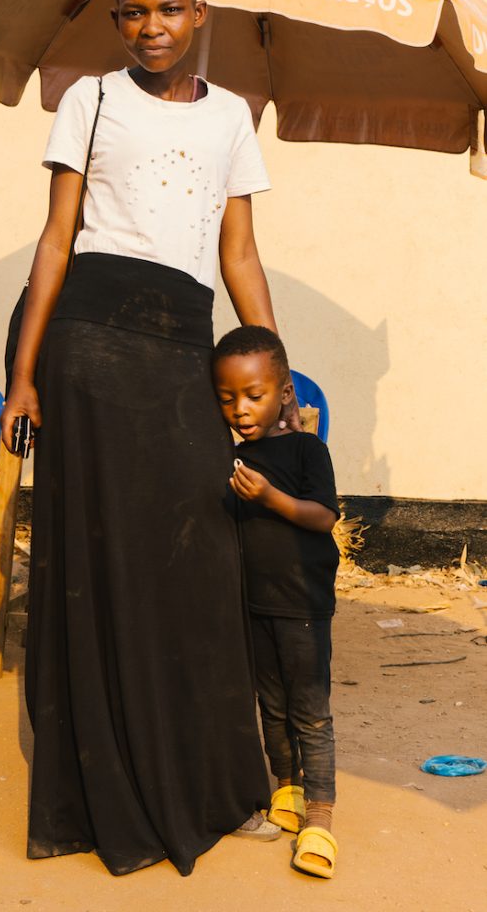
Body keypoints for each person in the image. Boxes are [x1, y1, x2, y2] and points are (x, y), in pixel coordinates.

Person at [1, 0, 292, 876]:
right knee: (99, 562)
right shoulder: (88, 102)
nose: (151, 27)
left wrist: (274, 371)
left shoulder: (233, 120)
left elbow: (238, 253)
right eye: (132, 13)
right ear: (117, 20)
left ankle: (212, 783)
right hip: (87, 346)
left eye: (168, 10)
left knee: (199, 565)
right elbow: (53, 243)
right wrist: (23, 374)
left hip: (180, 347)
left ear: (197, 14)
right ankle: (98, 793)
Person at [212, 325, 340, 879]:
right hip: (255, 604)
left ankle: (321, 816)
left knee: (310, 714)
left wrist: (270, 497)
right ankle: (286, 789)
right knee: (272, 706)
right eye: (228, 398)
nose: (241, 409)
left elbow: (323, 516)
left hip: (304, 605)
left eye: (255, 395)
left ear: (284, 392)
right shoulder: (231, 458)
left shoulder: (308, 450)